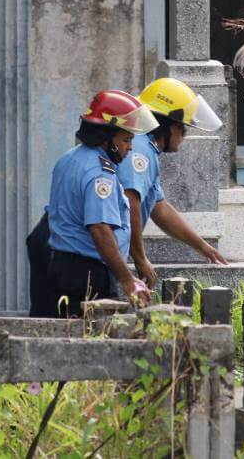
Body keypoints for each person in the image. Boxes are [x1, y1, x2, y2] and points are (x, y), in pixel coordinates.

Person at [41, 90, 159, 317]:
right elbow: (100, 229)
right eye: (126, 140)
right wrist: (127, 280)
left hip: (63, 265)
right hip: (87, 274)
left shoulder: (70, 158)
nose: (130, 148)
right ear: (107, 138)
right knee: (96, 334)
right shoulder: (99, 173)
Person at [118, 77, 229, 289]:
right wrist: (140, 259)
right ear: (168, 125)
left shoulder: (146, 147)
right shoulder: (140, 150)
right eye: (183, 128)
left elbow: (159, 208)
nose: (184, 135)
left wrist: (203, 247)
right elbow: (130, 201)